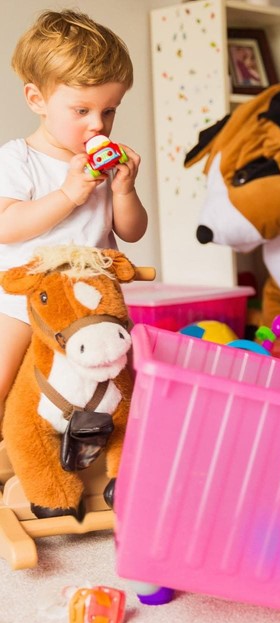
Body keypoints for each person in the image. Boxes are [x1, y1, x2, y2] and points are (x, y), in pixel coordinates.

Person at [0, 10, 148, 429]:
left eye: (110, 110)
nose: (98, 124)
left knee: (117, 382)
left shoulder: (103, 166)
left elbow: (132, 231)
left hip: (92, 304)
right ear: (37, 99)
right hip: (21, 300)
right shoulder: (18, 158)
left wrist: (124, 190)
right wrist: (67, 195)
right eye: (81, 110)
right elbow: (6, 224)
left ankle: (102, 445)